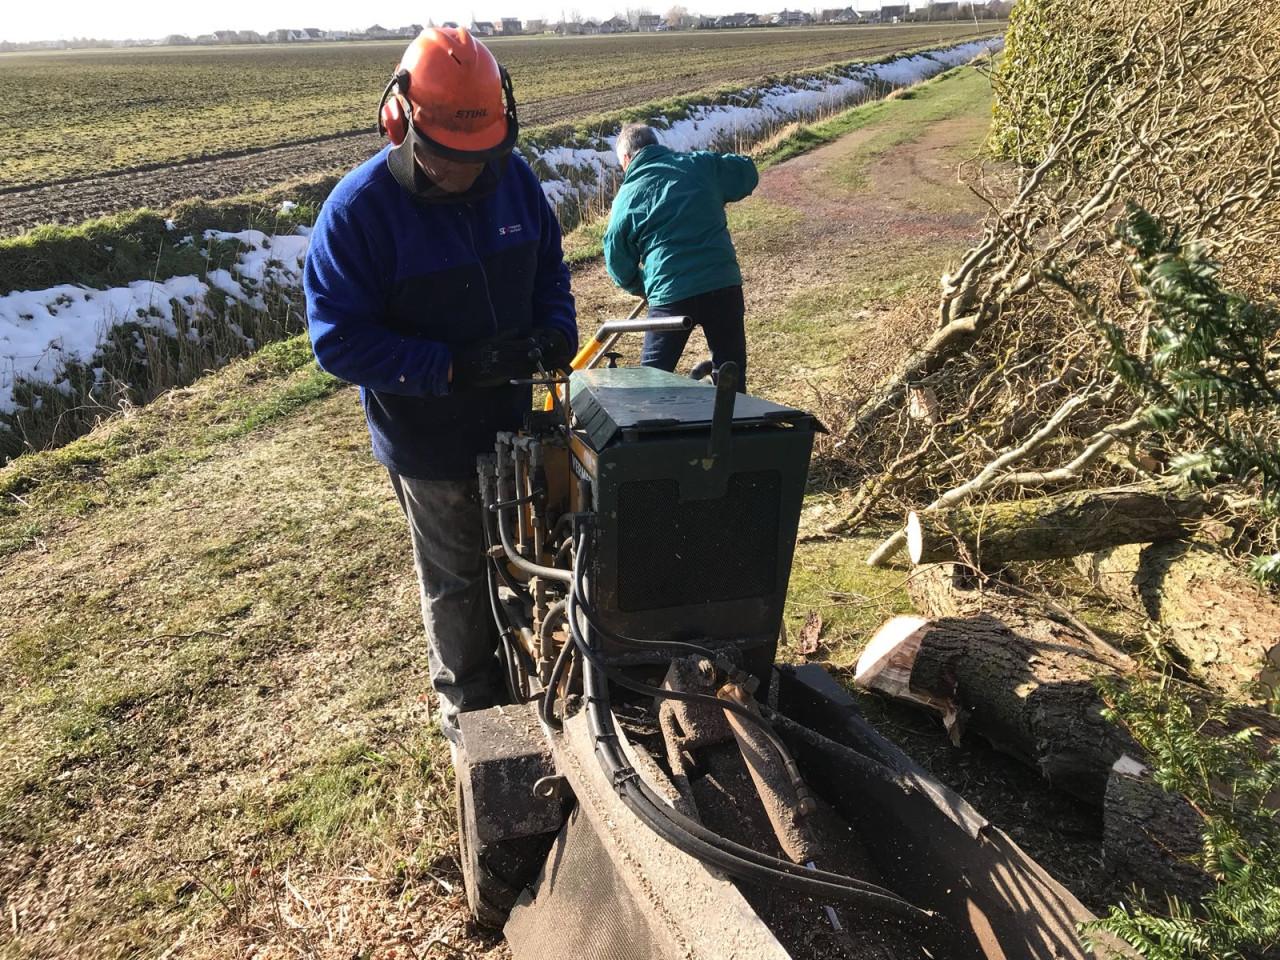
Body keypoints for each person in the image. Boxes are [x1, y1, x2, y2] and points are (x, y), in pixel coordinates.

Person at [303, 27, 577, 744]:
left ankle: (548, 682)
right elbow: (335, 341)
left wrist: (554, 331)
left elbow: (552, 274)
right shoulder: (357, 214)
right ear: (400, 123)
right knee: (458, 584)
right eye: (450, 159)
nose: (469, 175)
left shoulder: (511, 178)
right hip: (432, 438)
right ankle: (477, 727)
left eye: (483, 157)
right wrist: (450, 367)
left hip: (526, 417)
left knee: (543, 554)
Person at [603, 123, 759, 389]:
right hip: (722, 284)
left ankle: (651, 425)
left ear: (627, 160)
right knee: (730, 370)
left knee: (652, 377)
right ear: (656, 145)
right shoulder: (700, 164)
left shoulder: (626, 198)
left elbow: (617, 261)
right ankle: (732, 422)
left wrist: (642, 286)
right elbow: (746, 171)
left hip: (670, 294)